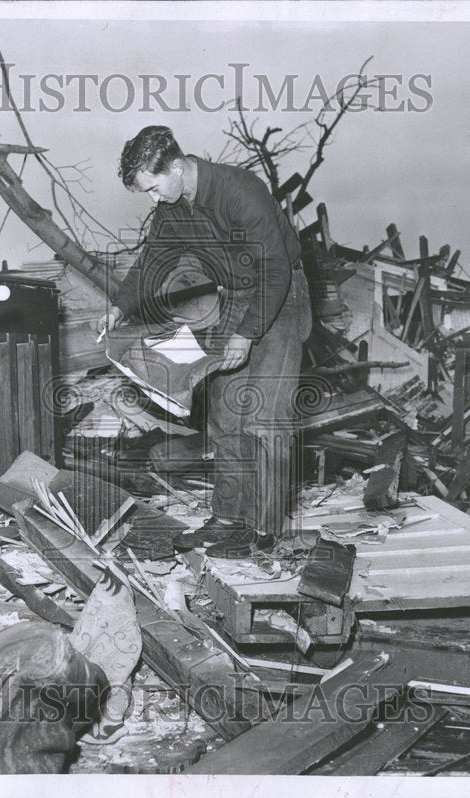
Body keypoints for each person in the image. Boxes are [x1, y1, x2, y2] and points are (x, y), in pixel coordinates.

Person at [98, 125, 312, 559]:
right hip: (233, 298)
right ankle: (230, 520)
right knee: (227, 418)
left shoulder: (239, 191)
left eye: (155, 187)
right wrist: (121, 306)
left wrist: (245, 334)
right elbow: (153, 258)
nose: (154, 199)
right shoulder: (174, 207)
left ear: (176, 167)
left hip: (282, 295)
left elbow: (275, 270)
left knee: (265, 420)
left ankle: (266, 532)